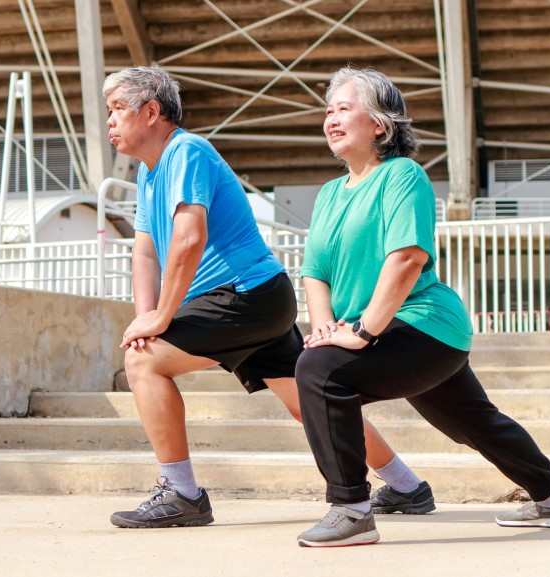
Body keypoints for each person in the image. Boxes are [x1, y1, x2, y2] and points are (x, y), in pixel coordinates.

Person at [102, 66, 434, 529]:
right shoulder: (149, 172)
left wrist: (162, 316)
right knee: (307, 401)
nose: (110, 121)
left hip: (243, 295)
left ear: (151, 111)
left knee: (143, 363)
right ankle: (405, 485)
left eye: (117, 109)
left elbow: (188, 239)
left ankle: (181, 492)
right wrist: (147, 319)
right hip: (254, 299)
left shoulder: (186, 151)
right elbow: (145, 251)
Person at [294, 66, 550, 547]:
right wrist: (324, 329)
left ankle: (352, 509)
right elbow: (314, 272)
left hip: (424, 325)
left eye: (344, 109)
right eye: (328, 111)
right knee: (472, 421)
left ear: (379, 125)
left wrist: (360, 333)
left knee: (320, 373)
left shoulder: (401, 176)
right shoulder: (328, 194)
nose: (330, 120)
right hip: (381, 328)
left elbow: (406, 258)